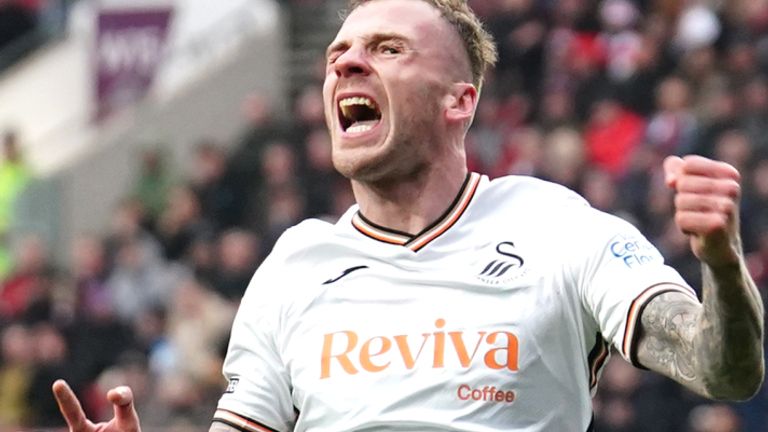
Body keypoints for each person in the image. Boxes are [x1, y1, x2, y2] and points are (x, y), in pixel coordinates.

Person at [52, 0, 765, 431]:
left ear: (460, 100)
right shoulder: (294, 267)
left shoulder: (561, 228)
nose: (346, 66)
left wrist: (722, 266)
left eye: (386, 50)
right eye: (338, 55)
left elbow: (722, 368)